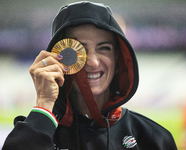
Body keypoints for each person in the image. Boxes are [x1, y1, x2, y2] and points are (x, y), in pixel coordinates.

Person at [2, 1, 177, 150]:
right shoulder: (34, 134)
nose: (92, 62)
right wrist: (45, 105)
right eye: (78, 49)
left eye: (104, 48)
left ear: (118, 59)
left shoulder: (154, 138)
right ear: (58, 56)